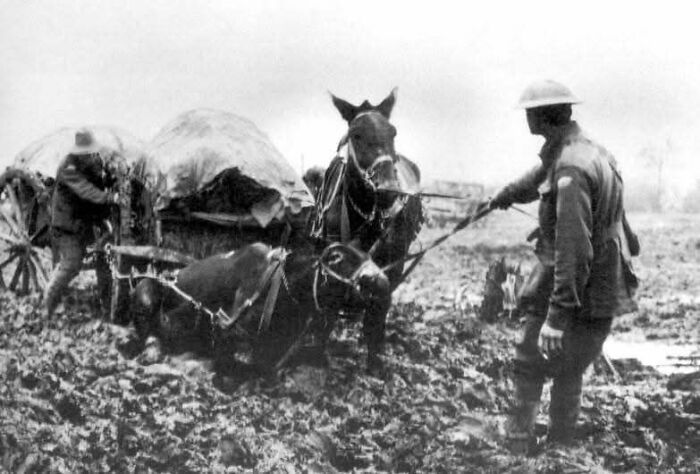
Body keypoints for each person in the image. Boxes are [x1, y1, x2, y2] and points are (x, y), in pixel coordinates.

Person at [490, 80, 639, 453]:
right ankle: (560, 448)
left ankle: (518, 446)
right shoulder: (584, 151)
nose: (526, 117)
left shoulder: (571, 167)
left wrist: (557, 316)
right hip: (601, 285)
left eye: (530, 112)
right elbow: (541, 174)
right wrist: (506, 195)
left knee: (530, 356)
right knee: (570, 365)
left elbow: (573, 248)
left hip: (578, 284)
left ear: (541, 117)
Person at [43, 129, 119, 317]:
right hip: (66, 227)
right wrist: (111, 197)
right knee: (72, 263)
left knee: (104, 256)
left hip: (84, 225)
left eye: (91, 152)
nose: (90, 156)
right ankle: (48, 305)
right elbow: (86, 191)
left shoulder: (89, 163)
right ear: (78, 151)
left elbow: (99, 180)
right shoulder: (68, 167)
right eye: (87, 153)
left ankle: (108, 304)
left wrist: (109, 177)